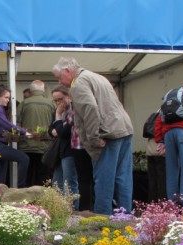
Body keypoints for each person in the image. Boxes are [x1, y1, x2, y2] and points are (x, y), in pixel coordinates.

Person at [53, 57, 134, 215]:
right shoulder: (97, 77)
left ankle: (102, 220)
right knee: (123, 177)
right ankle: (125, 218)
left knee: (104, 180)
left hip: (107, 134)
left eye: (59, 77)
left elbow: (90, 110)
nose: (59, 81)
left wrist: (94, 138)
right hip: (124, 128)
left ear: (68, 71)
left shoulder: (78, 83)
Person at [0, 84, 31, 188]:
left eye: (9, 98)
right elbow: (6, 124)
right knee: (24, 158)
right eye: (6, 97)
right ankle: (20, 189)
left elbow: (2, 126)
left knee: (0, 180)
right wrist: (24, 132)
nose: (8, 100)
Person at [17, 80, 55, 186]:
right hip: (45, 146)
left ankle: (26, 200)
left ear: (30, 90)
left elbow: (17, 124)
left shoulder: (24, 103)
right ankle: (42, 200)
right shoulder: (51, 104)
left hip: (26, 146)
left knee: (27, 175)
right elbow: (55, 124)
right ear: (43, 90)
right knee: (43, 177)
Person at [48, 85, 79, 210]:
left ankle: (72, 210)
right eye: (55, 100)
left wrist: (58, 120)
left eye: (60, 99)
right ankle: (59, 209)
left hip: (70, 151)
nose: (58, 103)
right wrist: (57, 122)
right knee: (57, 182)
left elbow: (63, 132)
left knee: (69, 183)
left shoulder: (72, 111)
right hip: (59, 152)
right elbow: (51, 130)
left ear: (68, 96)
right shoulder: (58, 112)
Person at [146, 137, 166, 202]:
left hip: (151, 150)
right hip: (162, 151)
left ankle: (152, 205)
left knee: (152, 181)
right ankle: (162, 204)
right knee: (162, 182)